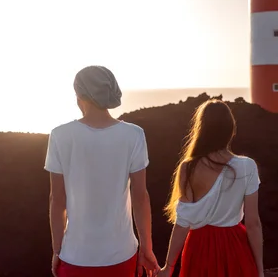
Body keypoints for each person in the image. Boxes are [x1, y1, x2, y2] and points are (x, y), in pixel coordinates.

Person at [44, 65, 160, 277]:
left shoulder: (60, 135)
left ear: (79, 95)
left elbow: (57, 200)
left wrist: (57, 250)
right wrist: (147, 248)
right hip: (122, 255)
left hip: (74, 257)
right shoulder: (133, 135)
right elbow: (140, 197)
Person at [158, 99, 264, 277]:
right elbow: (253, 224)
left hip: (199, 247)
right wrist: (259, 270)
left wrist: (168, 267)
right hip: (235, 245)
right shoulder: (247, 166)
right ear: (230, 129)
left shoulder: (189, 167)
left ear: (201, 130)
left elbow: (182, 223)